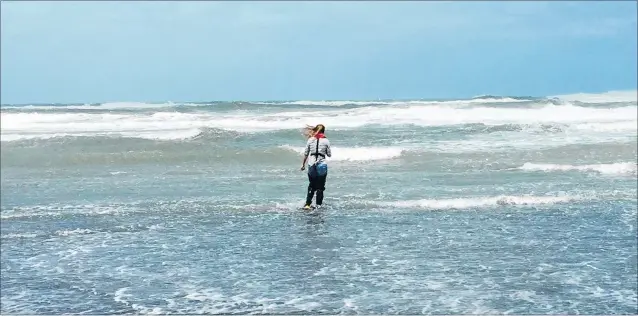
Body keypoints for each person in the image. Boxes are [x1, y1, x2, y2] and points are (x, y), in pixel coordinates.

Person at [300, 124, 331, 209]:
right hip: (321, 165)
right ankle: (318, 205)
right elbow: (329, 154)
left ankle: (307, 204)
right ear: (323, 131)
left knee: (312, 185)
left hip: (311, 164)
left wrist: (303, 165)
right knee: (320, 187)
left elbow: (306, 153)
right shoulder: (326, 141)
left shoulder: (310, 140)